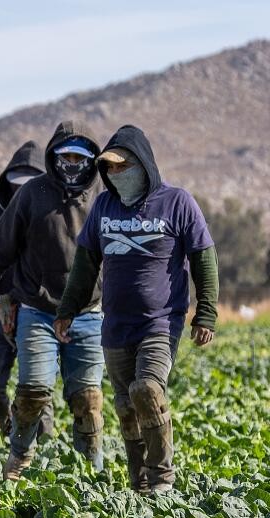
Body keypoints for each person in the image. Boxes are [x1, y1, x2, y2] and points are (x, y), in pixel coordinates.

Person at [56, 125, 218, 494]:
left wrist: (205, 312)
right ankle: (139, 483)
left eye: (122, 166)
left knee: (147, 389)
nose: (115, 174)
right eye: (109, 169)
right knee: (127, 408)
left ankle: (162, 478)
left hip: (161, 321)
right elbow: (85, 264)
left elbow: (204, 259)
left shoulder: (177, 202)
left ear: (143, 164)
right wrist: (67, 309)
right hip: (115, 326)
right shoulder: (104, 206)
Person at [0, 122, 106, 479]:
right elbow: (1, 248)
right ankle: (20, 458)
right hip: (38, 311)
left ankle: (90, 471)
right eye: (66, 156)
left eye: (81, 157)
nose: (73, 164)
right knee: (32, 393)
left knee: (88, 399)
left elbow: (124, 255)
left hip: (88, 314)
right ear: (55, 157)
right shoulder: (32, 194)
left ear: (92, 158)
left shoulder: (103, 197)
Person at [0, 140, 44, 438]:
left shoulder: (52, 212)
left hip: (36, 311)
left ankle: (40, 447)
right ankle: (13, 432)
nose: (23, 192)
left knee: (37, 390)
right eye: (17, 185)